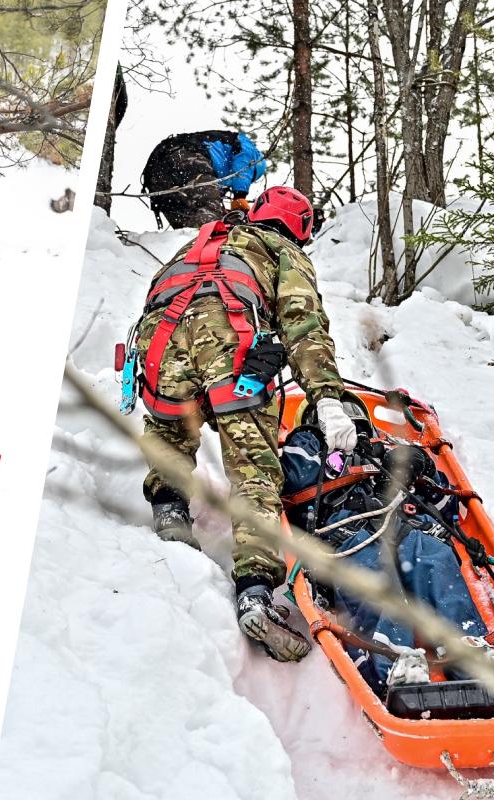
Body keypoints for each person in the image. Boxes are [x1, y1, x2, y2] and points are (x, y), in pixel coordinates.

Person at [131, 186, 357, 662]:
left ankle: (170, 509)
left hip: (159, 345)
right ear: (299, 227)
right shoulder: (281, 250)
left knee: (172, 428)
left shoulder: (203, 243)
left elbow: (159, 295)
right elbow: (303, 324)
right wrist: (327, 398)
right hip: (227, 337)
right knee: (254, 470)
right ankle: (255, 590)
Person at [280, 409, 494, 694]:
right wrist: (319, 444)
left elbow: (448, 508)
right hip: (345, 535)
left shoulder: (387, 453)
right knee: (377, 579)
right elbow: (293, 480)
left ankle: (469, 650)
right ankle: (392, 659)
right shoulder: (308, 445)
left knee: (435, 559)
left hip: (404, 527)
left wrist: (421, 465)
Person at [141, 131, 267, 229]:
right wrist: (239, 196)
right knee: (211, 215)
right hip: (187, 156)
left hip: (157, 171)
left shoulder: (222, 162)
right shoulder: (250, 151)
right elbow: (243, 167)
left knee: (185, 226)